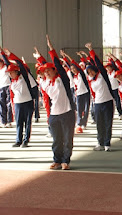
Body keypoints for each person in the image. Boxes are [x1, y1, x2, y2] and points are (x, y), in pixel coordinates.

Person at [43, 35, 76, 170]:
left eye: (48, 70)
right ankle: (56, 160)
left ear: (54, 71)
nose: (46, 73)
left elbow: (58, 65)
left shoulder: (62, 79)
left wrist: (51, 49)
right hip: (54, 115)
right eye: (44, 71)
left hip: (67, 113)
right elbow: (46, 100)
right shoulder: (45, 84)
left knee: (67, 139)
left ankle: (65, 161)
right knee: (56, 139)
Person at [1, 47, 34, 148]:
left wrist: (7, 54)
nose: (10, 74)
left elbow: (18, 63)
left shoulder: (23, 77)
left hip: (28, 102)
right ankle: (18, 140)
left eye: (11, 73)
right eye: (9, 73)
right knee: (19, 123)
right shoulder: (12, 81)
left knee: (27, 123)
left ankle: (26, 140)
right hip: (18, 104)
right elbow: (8, 65)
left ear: (17, 71)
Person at [85, 42, 115, 152]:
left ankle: (107, 143)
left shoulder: (102, 75)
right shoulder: (90, 81)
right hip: (97, 104)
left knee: (108, 123)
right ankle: (100, 142)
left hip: (107, 102)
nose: (90, 73)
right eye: (88, 72)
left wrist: (91, 50)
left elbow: (97, 62)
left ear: (95, 70)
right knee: (99, 124)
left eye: (91, 71)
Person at [61, 50, 91, 133]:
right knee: (78, 109)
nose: (73, 70)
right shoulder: (74, 77)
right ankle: (79, 123)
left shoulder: (82, 74)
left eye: (74, 68)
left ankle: (83, 123)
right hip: (78, 94)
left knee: (85, 109)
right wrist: (65, 58)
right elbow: (68, 66)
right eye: (72, 69)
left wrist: (67, 56)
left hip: (85, 93)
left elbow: (73, 63)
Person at [0, 57, 12, 128]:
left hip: (8, 86)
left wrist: (2, 53)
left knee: (8, 104)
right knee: (2, 105)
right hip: (1, 87)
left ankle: (9, 121)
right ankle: (3, 121)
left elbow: (7, 61)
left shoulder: (6, 67)